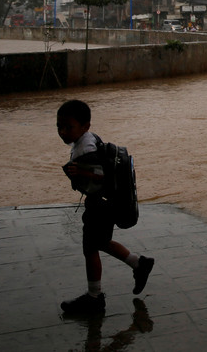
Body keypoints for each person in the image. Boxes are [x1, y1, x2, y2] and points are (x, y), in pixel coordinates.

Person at [57, 99, 154, 315]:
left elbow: (100, 175)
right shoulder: (89, 140)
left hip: (99, 205)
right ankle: (139, 264)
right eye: (59, 127)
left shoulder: (85, 150)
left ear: (85, 127)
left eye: (68, 127)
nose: (62, 132)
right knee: (100, 243)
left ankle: (95, 297)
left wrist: (80, 173)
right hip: (105, 203)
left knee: (90, 248)